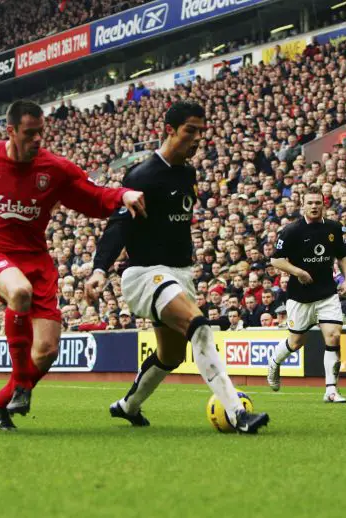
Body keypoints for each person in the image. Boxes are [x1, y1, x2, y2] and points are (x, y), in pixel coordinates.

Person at [0, 100, 146, 431]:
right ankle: (22, 386)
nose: (37, 140)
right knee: (19, 291)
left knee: (47, 351)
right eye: (30, 133)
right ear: (11, 131)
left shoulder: (54, 169)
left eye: (40, 133)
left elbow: (91, 196)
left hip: (37, 262)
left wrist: (122, 196)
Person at [85, 101, 269, 434]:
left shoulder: (188, 173)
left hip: (179, 274)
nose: (198, 138)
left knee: (170, 356)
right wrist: (99, 269)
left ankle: (128, 406)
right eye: (191, 130)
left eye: (202, 131)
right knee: (199, 325)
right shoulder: (142, 176)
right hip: (145, 274)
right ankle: (237, 412)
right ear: (170, 130)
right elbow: (119, 226)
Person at [267, 184, 346, 403]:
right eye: (310, 203)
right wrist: (298, 272)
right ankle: (274, 363)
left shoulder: (334, 228)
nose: (314, 206)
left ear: (324, 204)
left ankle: (331, 390)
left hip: (327, 294)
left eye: (317, 202)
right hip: (300, 297)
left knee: (333, 336)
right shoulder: (291, 231)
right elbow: (275, 259)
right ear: (302, 206)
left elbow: (342, 255)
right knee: (296, 343)